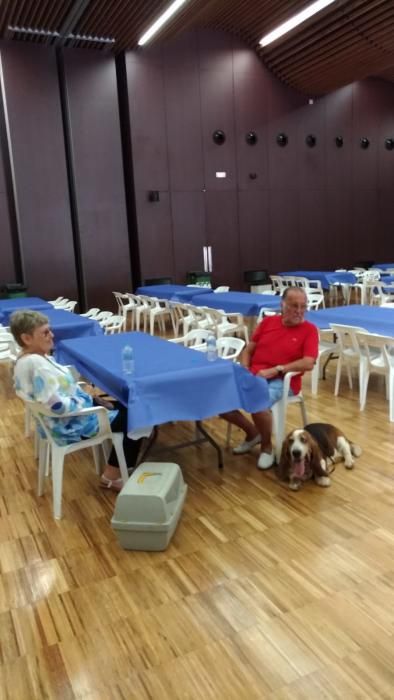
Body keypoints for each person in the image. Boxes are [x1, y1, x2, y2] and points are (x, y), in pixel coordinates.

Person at [10, 310, 141, 491]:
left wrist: (92, 398)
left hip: (54, 422)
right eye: (45, 332)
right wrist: (87, 400)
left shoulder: (25, 359)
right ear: (26, 338)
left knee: (124, 407)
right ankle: (112, 475)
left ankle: (123, 462)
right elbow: (58, 406)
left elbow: (56, 396)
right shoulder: (38, 366)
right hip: (69, 424)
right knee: (136, 417)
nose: (52, 335)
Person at [221, 287, 318, 470]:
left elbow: (308, 362)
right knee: (221, 399)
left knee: (258, 402)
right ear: (283, 304)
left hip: (282, 380)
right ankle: (252, 433)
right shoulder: (268, 323)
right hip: (255, 374)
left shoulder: (309, 330)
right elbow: (248, 350)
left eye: (303, 306)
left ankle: (266, 447)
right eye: (294, 306)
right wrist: (245, 368)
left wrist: (277, 369)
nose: (299, 311)